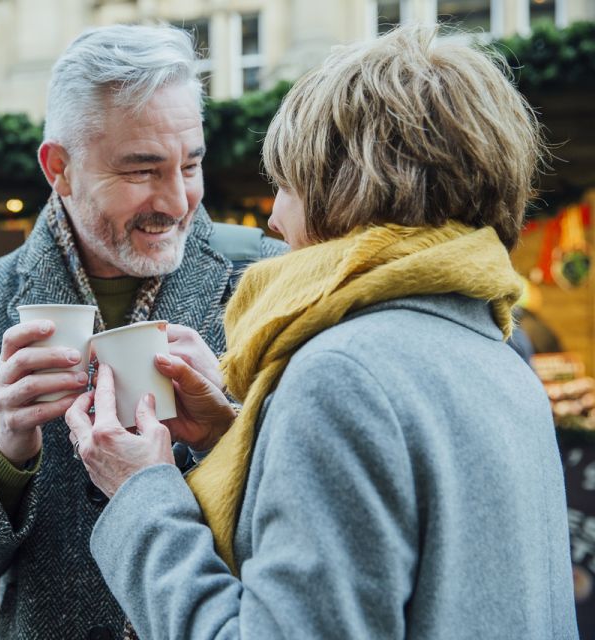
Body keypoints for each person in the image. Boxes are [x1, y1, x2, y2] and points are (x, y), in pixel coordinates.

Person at [66, 25, 578, 639]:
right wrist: (233, 438)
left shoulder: (343, 374)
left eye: (285, 183)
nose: (275, 217)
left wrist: (139, 493)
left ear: (345, 190)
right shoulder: (496, 356)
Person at [0, 23, 286, 640]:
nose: (178, 200)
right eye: (142, 170)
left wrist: (222, 439)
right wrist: (1, 444)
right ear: (60, 169)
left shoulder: (265, 281)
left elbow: (313, 518)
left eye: (192, 163)